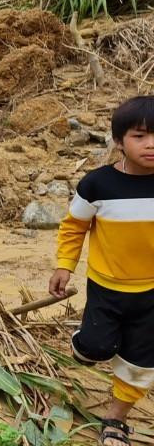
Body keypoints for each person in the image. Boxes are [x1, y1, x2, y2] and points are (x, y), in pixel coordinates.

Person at [49, 96, 154, 446]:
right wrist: (65, 265)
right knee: (96, 348)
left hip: (152, 293)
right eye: (140, 135)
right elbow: (73, 227)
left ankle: (115, 419)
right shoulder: (98, 184)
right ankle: (87, 347)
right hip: (107, 287)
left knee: (141, 361)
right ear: (118, 141)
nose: (151, 144)